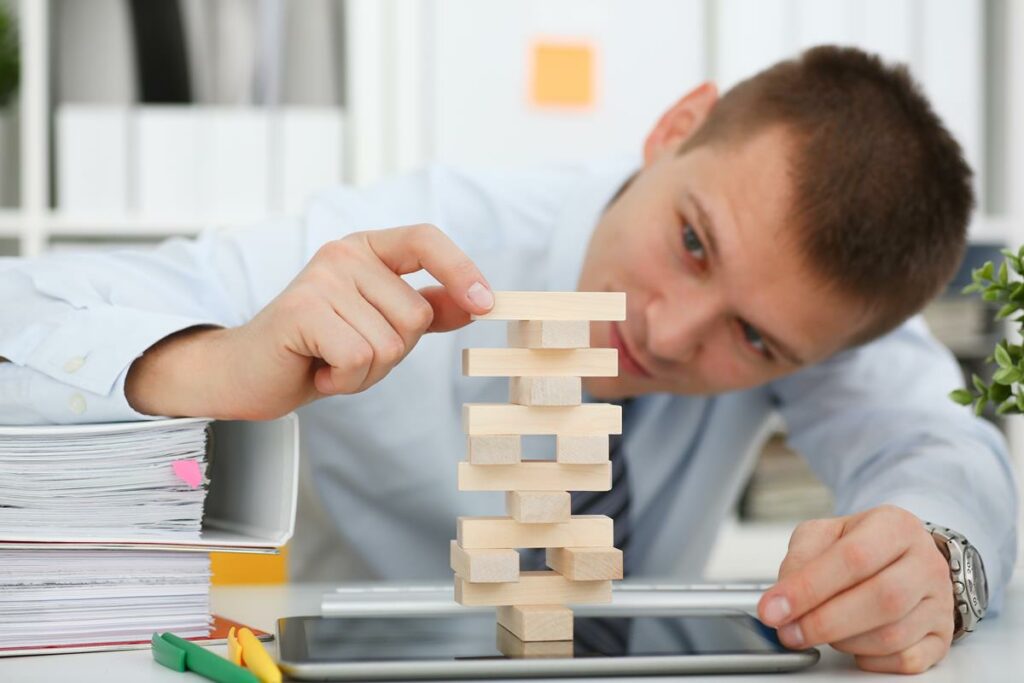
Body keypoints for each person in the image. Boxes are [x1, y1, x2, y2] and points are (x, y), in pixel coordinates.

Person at [0, 46, 1017, 674]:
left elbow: (937, 440)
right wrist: (215, 364)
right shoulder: (418, 229)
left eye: (753, 340)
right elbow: (22, 309)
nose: (667, 331)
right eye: (693, 241)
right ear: (675, 128)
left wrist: (937, 558)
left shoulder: (819, 315)